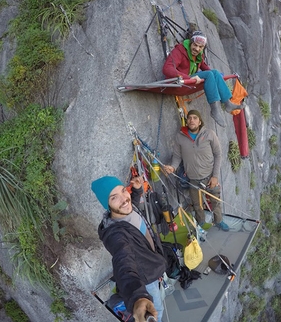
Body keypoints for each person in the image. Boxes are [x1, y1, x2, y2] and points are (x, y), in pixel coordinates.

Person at [91, 175, 166, 322]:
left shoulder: (127, 210)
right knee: (158, 309)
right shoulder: (116, 234)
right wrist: (138, 297)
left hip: (150, 265)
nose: (124, 199)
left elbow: (132, 209)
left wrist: (137, 191)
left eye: (123, 190)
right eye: (114, 197)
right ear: (107, 205)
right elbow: (123, 261)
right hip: (145, 279)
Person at [163, 109, 229, 232]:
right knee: (197, 204)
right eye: (189, 118)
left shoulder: (209, 134)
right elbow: (177, 156)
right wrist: (172, 167)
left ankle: (219, 221)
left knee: (215, 200)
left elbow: (218, 154)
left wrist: (215, 176)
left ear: (200, 122)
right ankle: (201, 223)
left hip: (210, 176)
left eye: (195, 118)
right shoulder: (180, 137)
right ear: (187, 121)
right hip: (193, 179)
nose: (191, 120)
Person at [162, 31, 244, 128]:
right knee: (209, 74)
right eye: (195, 45)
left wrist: (218, 79)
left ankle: (227, 103)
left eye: (200, 47)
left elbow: (206, 68)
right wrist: (188, 78)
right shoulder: (180, 51)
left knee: (215, 73)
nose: (197, 49)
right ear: (190, 42)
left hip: (190, 81)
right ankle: (214, 110)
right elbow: (167, 68)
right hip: (179, 82)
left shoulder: (199, 55)